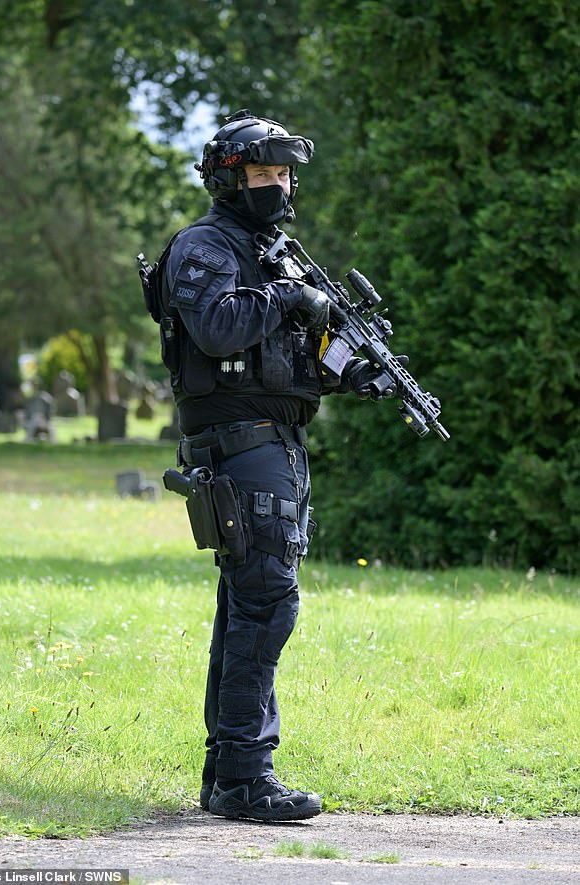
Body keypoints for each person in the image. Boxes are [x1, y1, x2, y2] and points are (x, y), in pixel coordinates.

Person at [150, 109, 383, 822]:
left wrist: (348, 367)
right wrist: (291, 297)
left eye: (284, 174)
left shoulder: (273, 251)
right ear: (228, 178)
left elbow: (285, 359)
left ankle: (227, 772)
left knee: (248, 602)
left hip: (274, 440)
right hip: (238, 444)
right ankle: (247, 779)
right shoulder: (204, 246)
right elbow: (218, 325)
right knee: (266, 602)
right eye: (263, 173)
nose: (277, 186)